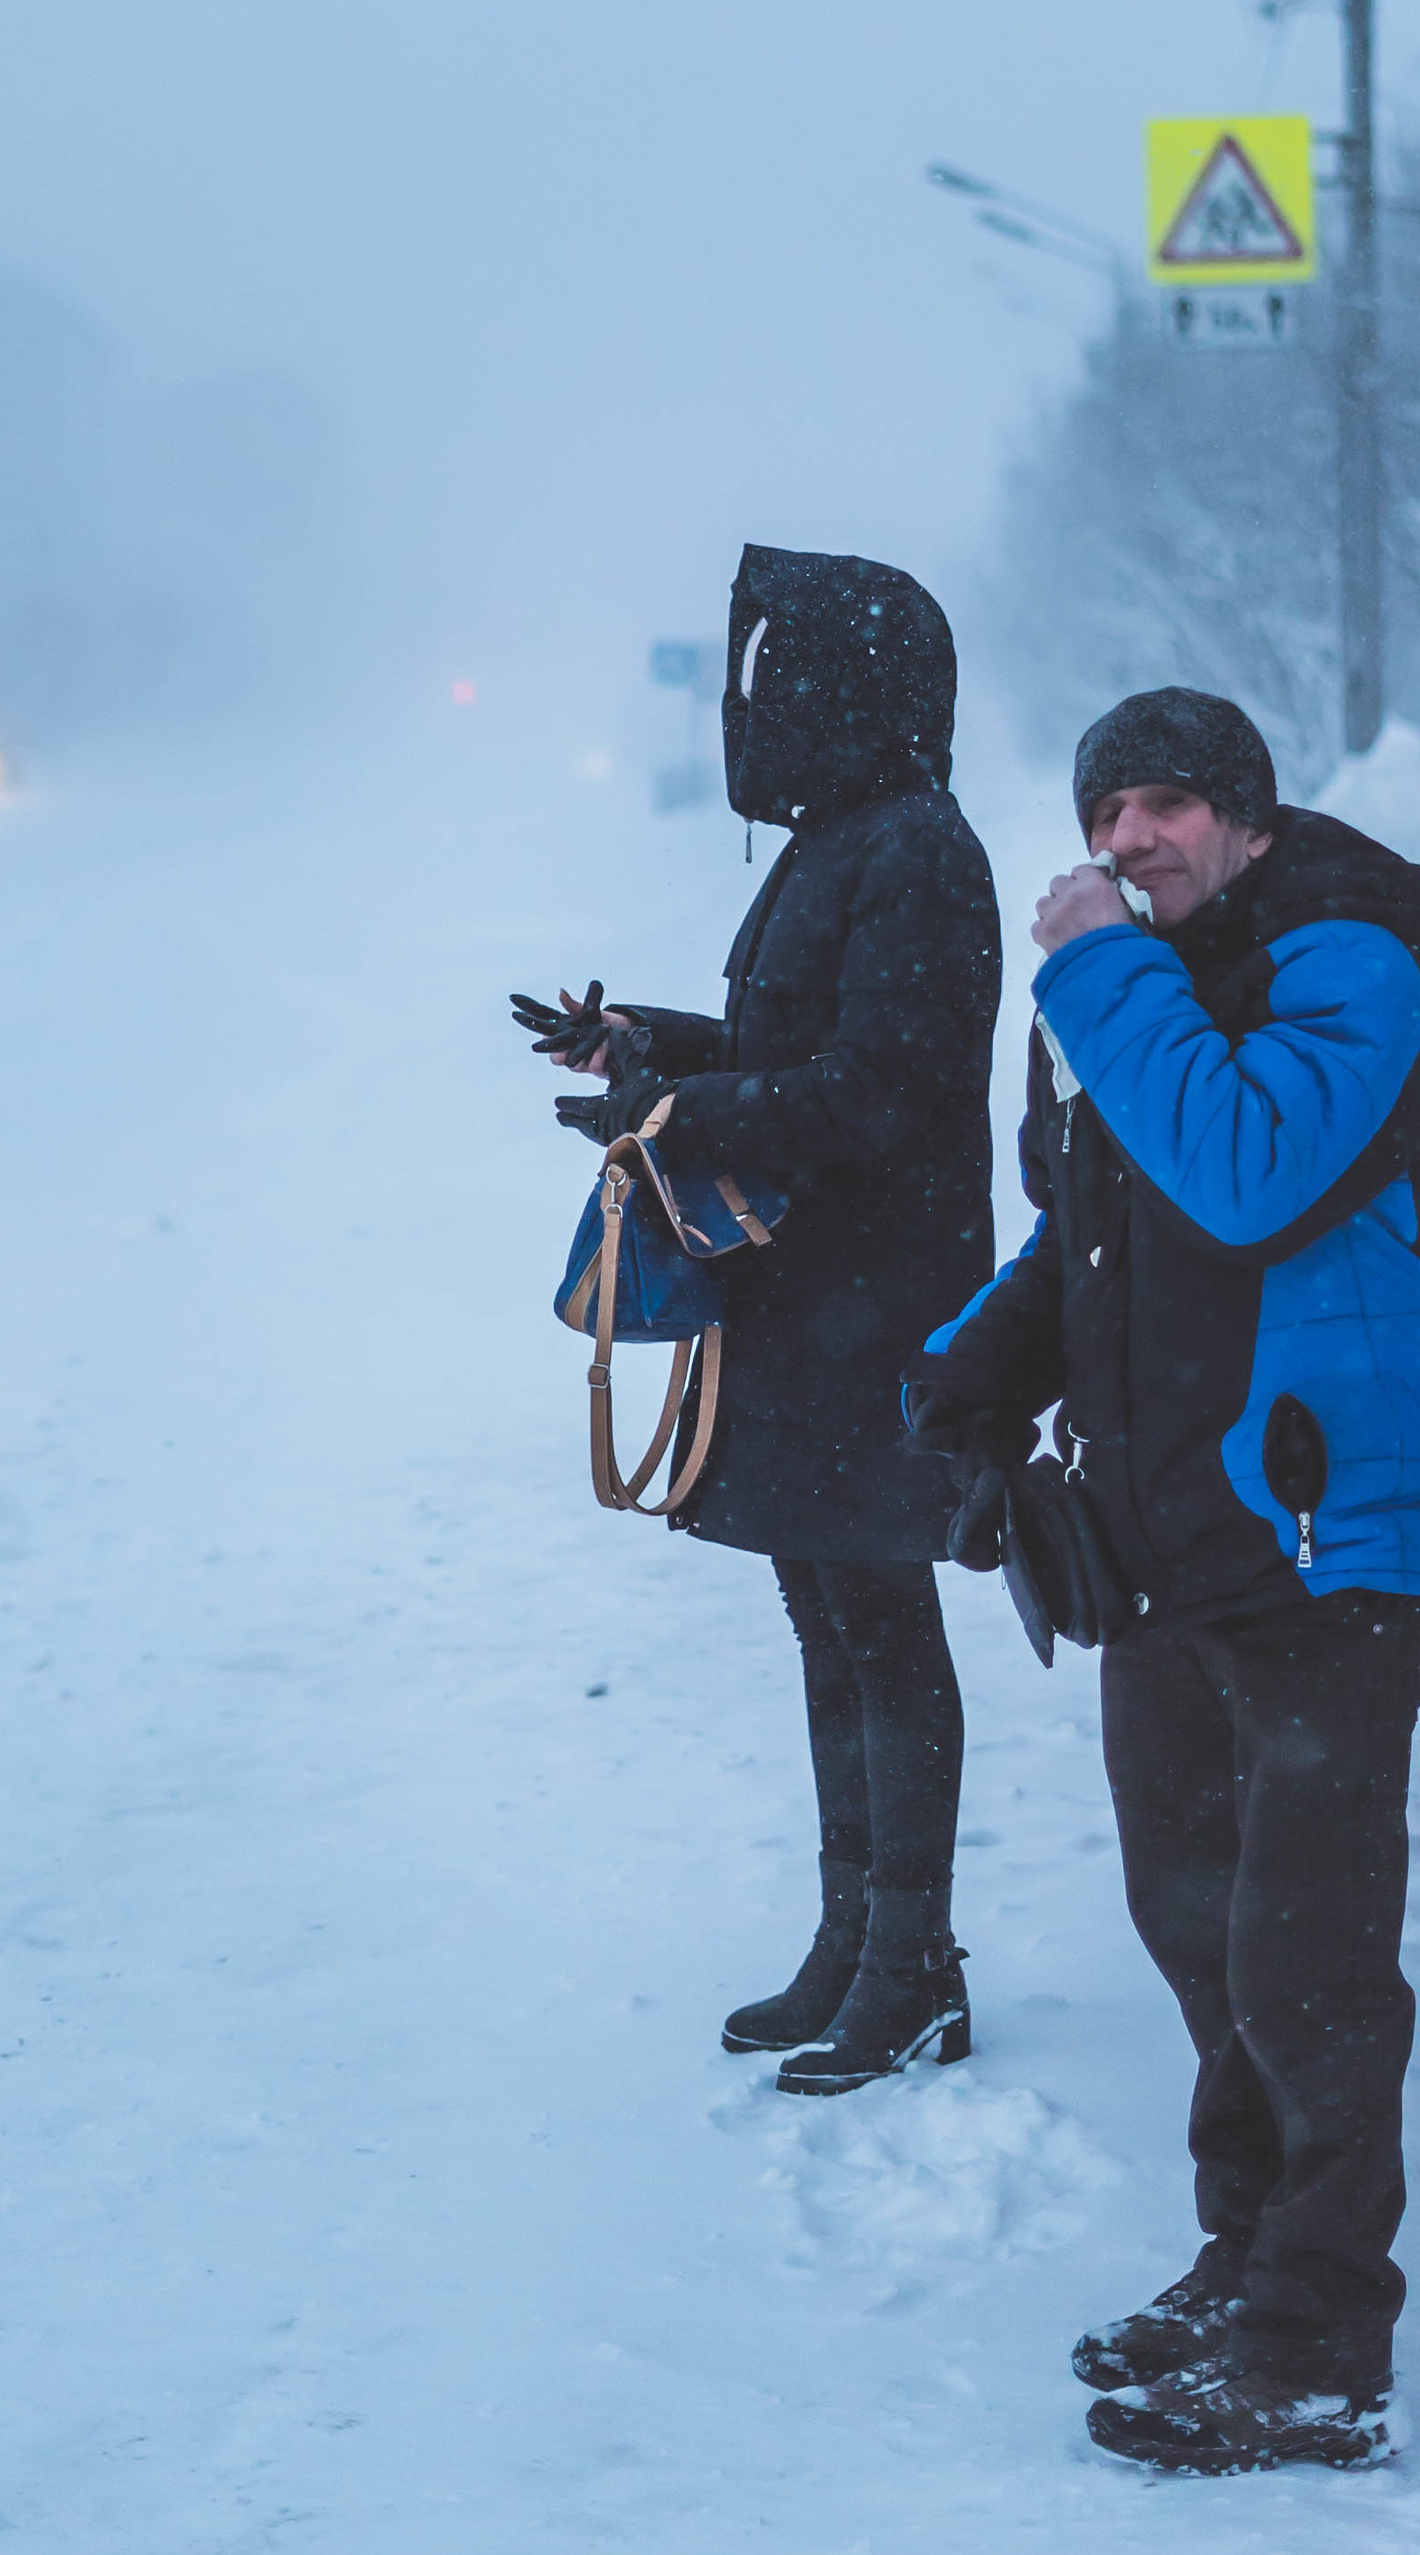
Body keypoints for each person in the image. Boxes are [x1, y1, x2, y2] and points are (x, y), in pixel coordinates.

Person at [904, 687, 1420, 2472]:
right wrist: (977, 1363)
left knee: (1309, 1960)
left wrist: (1090, 973)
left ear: (1244, 817)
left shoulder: (1349, 964)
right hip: (1164, 1550)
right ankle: (1246, 2259)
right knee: (1203, 1937)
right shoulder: (1135, 1003)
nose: (1130, 840)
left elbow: (1241, 1173)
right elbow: (1103, 1228)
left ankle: (1320, 2348)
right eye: (1106, 814)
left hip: (1316, 1542)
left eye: (1167, 806)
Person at [513, 544, 1001, 2095]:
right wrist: (646, 1040)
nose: (761, 705)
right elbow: (801, 1041)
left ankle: (911, 1965)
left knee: (881, 1625)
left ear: (856, 691)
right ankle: (854, 1940)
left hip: (878, 1305)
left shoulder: (917, 846)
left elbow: (880, 1093)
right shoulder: (849, 837)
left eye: (787, 678)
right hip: (806, 1297)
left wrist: (677, 1106)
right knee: (830, 1619)